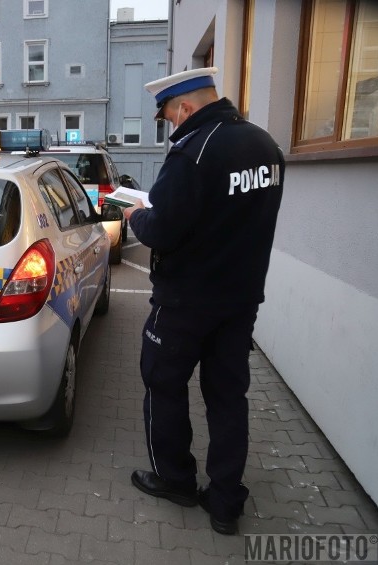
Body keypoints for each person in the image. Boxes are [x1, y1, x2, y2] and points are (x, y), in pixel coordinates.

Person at [123, 68, 284, 535]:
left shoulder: (194, 151)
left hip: (185, 302)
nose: (172, 126)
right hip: (240, 301)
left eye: (171, 117)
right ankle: (225, 501)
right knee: (228, 396)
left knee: (163, 383)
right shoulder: (266, 146)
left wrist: (136, 216)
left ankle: (175, 480)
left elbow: (163, 229)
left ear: (186, 109)